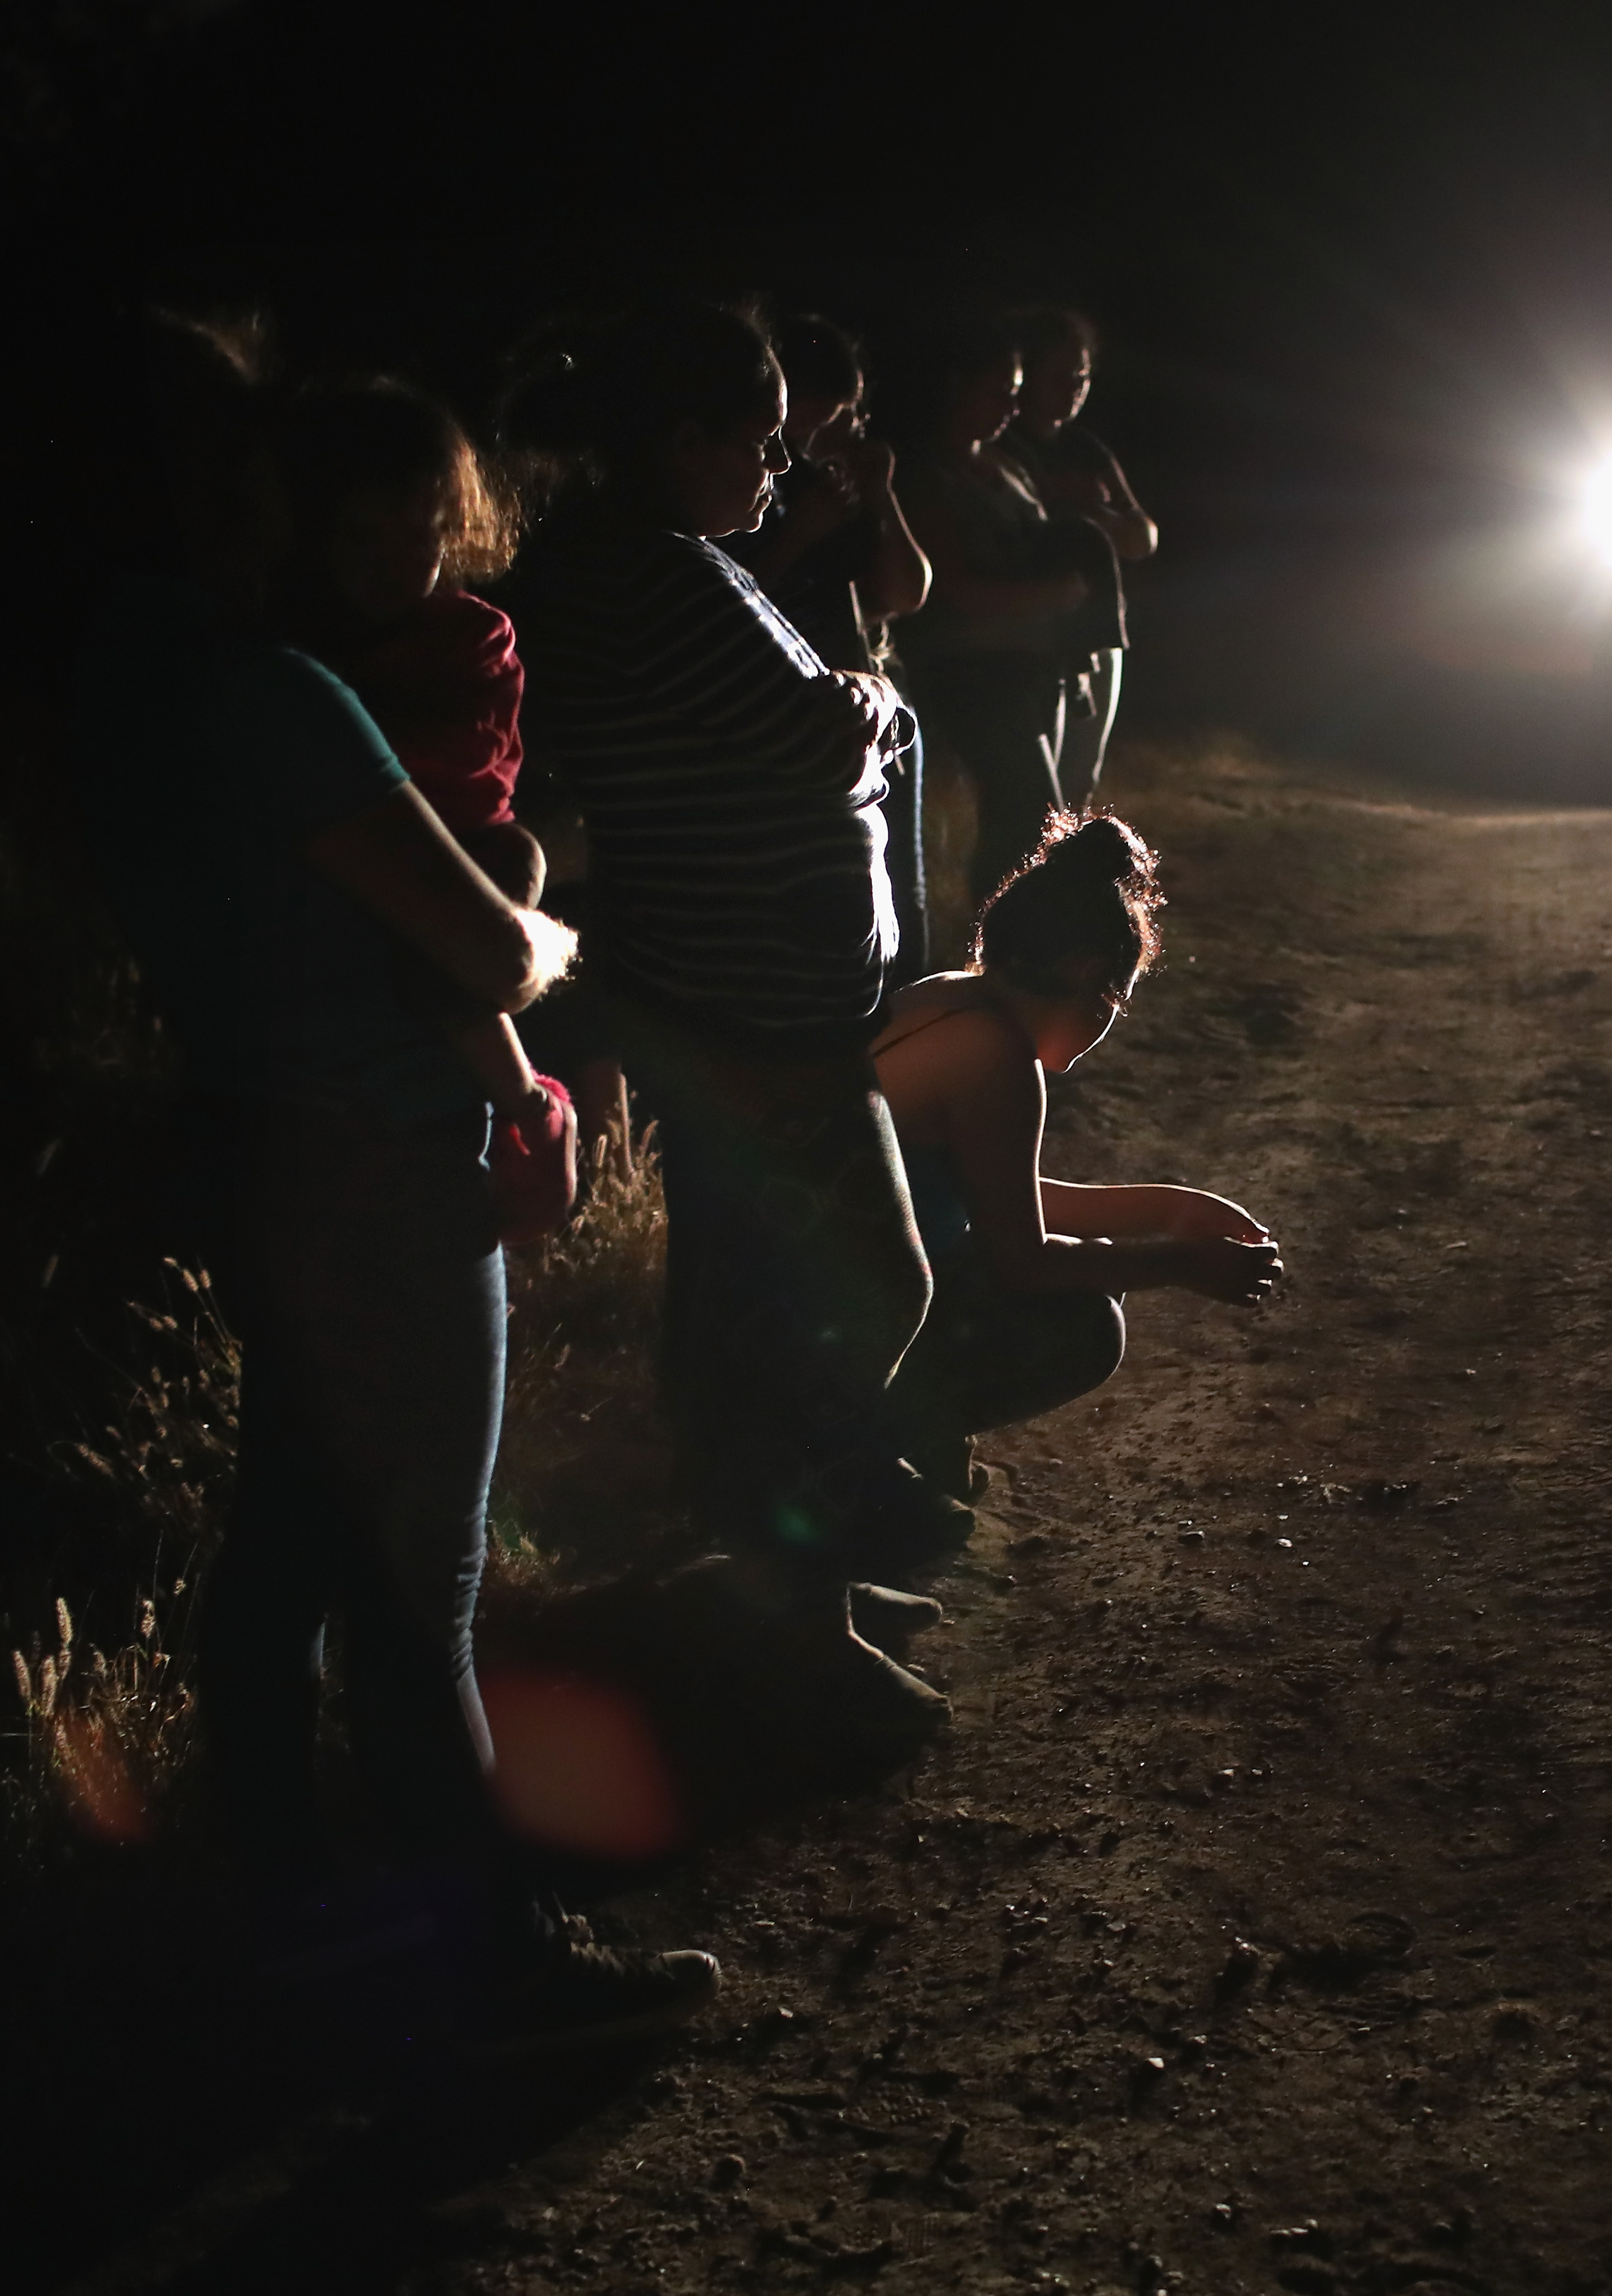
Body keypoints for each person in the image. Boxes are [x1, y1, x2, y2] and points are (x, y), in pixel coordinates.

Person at [64, 312, 718, 2050]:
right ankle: (497, 1975)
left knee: (287, 1553)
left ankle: (296, 1914)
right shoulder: (281, 703)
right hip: (374, 1172)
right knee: (413, 1591)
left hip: (269, 1148)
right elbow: (489, 951)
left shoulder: (131, 693)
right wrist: (544, 922)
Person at [498, 299, 956, 1731]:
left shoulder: (670, 559)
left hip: (751, 995)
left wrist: (849, 706)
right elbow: (820, 735)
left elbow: (815, 720)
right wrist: (870, 704)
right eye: (757, 443)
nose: (779, 470)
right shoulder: (641, 577)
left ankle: (781, 1581)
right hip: (742, 1010)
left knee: (768, 1303)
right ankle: (789, 1624)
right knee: (846, 1293)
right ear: (682, 442)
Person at [870, 812, 1282, 1499]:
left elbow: (1000, 1197)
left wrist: (1172, 1211)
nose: (1108, 1020)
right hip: (832, 1337)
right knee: (1086, 1322)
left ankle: (905, 1453)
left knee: (1093, 1263)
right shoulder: (997, 1061)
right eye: (1116, 997)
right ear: (1089, 972)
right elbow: (1023, 1258)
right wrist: (1183, 1263)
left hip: (793, 1300)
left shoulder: (944, 997)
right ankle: (860, 1456)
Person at [281, 374, 576, 1244]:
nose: (396, 564)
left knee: (513, 866)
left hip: (464, 847)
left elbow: (459, 770)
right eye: (364, 537)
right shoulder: (298, 648)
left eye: (423, 536)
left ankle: (524, 1099)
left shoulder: (468, 637)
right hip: (371, 870)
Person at [723, 315, 935, 982]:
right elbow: (730, 598)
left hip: (872, 705)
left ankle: (906, 1013)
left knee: (900, 880)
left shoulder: (821, 485)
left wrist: (881, 495)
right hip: (804, 722)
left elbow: (904, 591)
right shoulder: (748, 496)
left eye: (847, 417)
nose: (827, 435)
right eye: (819, 418)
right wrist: (801, 534)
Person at [890, 314, 1088, 907]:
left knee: (1028, 818)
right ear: (956, 388)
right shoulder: (927, 475)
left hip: (1031, 664)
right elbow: (956, 590)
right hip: (975, 669)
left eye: (1015, 393)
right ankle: (997, 954)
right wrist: (1057, 594)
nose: (1010, 407)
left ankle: (1004, 953)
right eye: (997, 392)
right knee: (1030, 814)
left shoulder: (1003, 465)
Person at [995, 305, 1156, 806]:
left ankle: (1065, 876)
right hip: (1032, 629)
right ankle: (1026, 879)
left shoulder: (1086, 449)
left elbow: (1143, 536)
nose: (1074, 389)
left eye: (1082, 377)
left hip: (1098, 629)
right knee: (1034, 785)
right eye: (1060, 376)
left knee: (1080, 776)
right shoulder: (999, 446)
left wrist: (1099, 515)